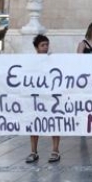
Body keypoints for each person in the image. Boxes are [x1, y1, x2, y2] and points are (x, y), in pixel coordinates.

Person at [25, 35, 61, 164]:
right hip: (36, 97)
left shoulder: (53, 60)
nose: (45, 47)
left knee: (54, 122)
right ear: (36, 48)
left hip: (51, 96)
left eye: (47, 45)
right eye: (42, 45)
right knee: (34, 123)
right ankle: (33, 151)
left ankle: (55, 150)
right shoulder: (31, 62)